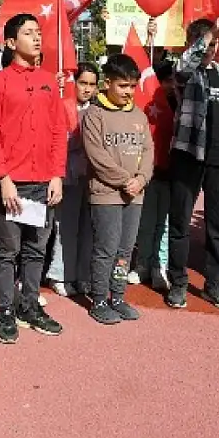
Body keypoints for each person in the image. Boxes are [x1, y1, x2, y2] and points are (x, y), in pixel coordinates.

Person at [0, 13, 67, 344]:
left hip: (44, 182)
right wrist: (2, 177)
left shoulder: (48, 81)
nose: (36, 38)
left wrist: (57, 175)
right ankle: (5, 310)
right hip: (12, 183)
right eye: (28, 33)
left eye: (38, 32)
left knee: (36, 249)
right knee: (7, 250)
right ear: (11, 42)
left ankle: (29, 306)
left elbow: (59, 130)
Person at [165, 18, 219, 310]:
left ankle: (214, 285)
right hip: (189, 155)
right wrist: (211, 31)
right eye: (206, 44)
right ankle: (178, 283)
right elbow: (188, 62)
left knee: (218, 227)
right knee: (180, 222)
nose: (211, 49)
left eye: (214, 44)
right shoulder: (186, 73)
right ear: (193, 44)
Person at [80, 54, 153, 324]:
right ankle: (99, 299)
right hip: (106, 194)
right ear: (107, 83)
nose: (128, 92)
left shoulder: (139, 116)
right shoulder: (94, 115)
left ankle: (118, 296)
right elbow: (96, 155)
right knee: (106, 249)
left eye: (132, 86)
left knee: (124, 251)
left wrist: (141, 179)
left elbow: (148, 151)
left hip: (135, 195)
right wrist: (125, 180)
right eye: (123, 86)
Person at [46, 62, 98, 298]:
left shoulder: (97, 109)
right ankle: (60, 274)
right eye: (83, 83)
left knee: (88, 228)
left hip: (92, 178)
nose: (87, 89)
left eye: (92, 85)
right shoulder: (63, 106)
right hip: (67, 175)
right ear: (74, 83)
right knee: (65, 227)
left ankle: (83, 275)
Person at [134, 60, 176, 292]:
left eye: (172, 81)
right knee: (147, 222)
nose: (170, 85)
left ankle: (160, 266)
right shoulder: (145, 102)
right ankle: (142, 264)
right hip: (149, 172)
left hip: (170, 173)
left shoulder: (178, 103)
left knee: (165, 223)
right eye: (166, 80)